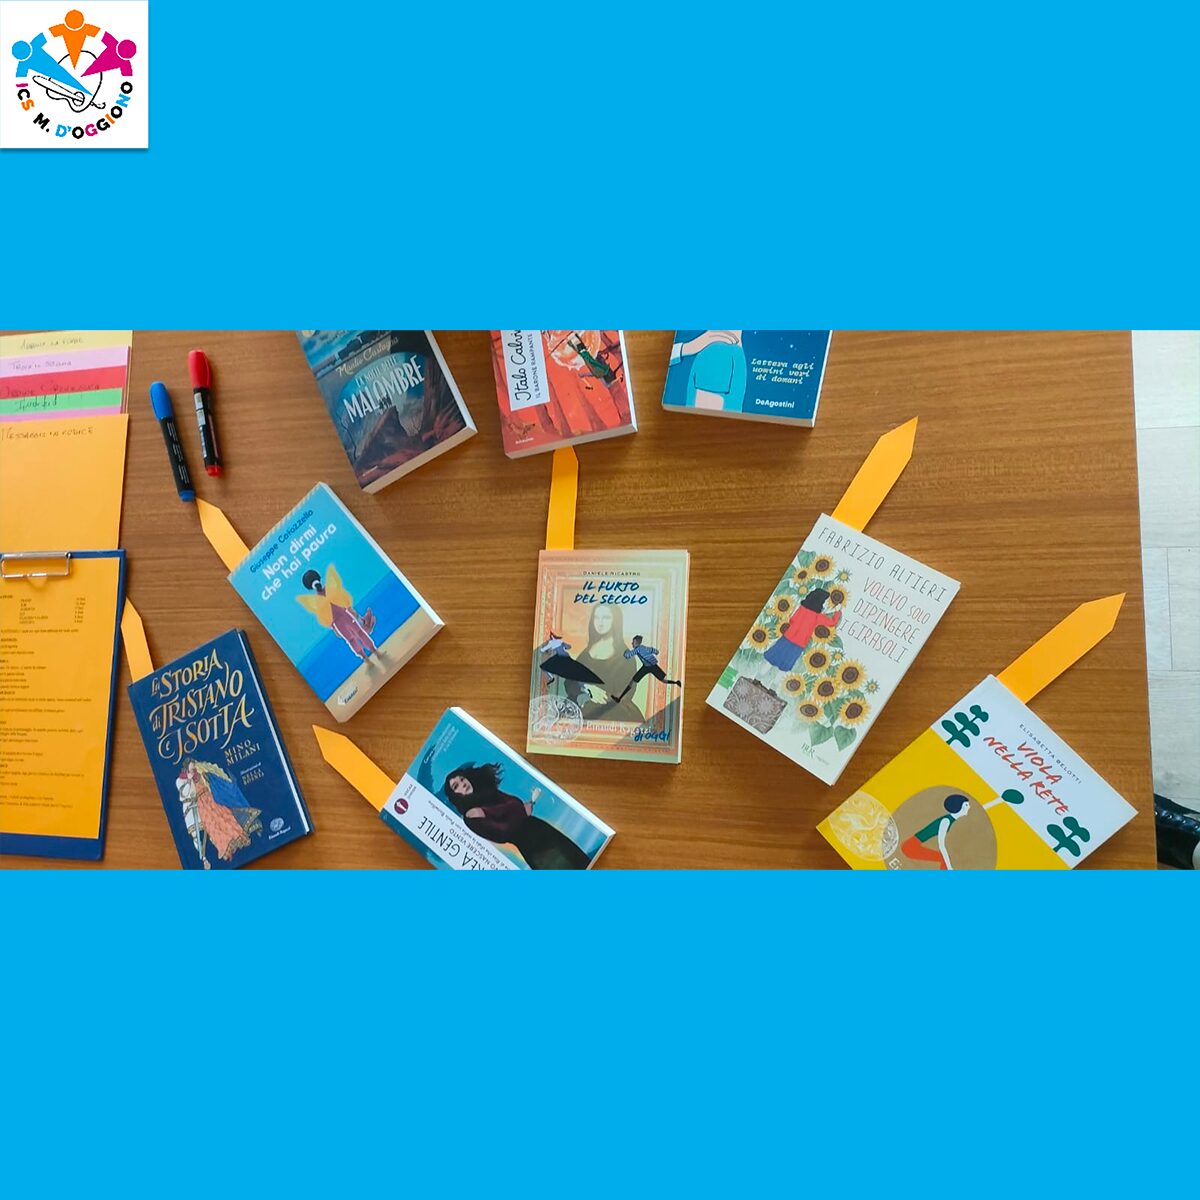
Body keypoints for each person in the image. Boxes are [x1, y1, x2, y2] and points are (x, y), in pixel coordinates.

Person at [419, 752, 592, 869]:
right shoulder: (470, 816)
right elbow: (504, 832)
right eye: (456, 786)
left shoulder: (487, 793)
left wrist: (510, 811)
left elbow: (514, 803)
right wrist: (519, 811)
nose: (463, 784)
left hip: (542, 829)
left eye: (462, 779)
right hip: (534, 848)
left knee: (582, 863)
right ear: (455, 795)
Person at [175, 760, 263, 868]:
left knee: (225, 817)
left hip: (210, 799)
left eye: (194, 766)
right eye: (191, 767)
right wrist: (189, 779)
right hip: (202, 805)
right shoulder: (183, 779)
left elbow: (211, 780)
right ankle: (227, 849)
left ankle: (236, 840)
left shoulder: (201, 772)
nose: (194, 768)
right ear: (187, 768)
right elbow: (186, 794)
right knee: (213, 827)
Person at [571, 603, 644, 723]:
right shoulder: (587, 651)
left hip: (614, 713)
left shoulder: (626, 656)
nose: (600, 622)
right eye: (596, 617)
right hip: (583, 708)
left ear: (615, 620)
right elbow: (571, 679)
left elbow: (625, 693)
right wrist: (586, 688)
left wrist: (594, 695)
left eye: (606, 618)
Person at [295, 566, 378, 664]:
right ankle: (370, 640)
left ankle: (365, 658)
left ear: (309, 587)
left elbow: (325, 617)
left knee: (351, 640)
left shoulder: (317, 601)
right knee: (359, 630)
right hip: (346, 616)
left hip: (337, 624)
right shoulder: (331, 589)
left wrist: (334, 628)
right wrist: (354, 615)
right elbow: (346, 605)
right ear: (319, 578)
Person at [763, 587, 841, 672]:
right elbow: (832, 622)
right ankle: (779, 672)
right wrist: (837, 612)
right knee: (788, 659)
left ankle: (766, 668)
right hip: (800, 640)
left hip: (789, 635)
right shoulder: (817, 616)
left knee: (777, 651)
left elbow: (792, 619)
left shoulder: (801, 608)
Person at [900, 794, 970, 869]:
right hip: (910, 847)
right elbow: (941, 846)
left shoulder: (948, 820)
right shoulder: (946, 821)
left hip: (911, 846)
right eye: (966, 805)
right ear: (959, 807)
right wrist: (950, 868)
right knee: (944, 858)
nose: (969, 807)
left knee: (944, 858)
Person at [608, 635, 681, 704]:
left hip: (649, 666)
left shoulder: (637, 649)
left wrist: (625, 651)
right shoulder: (644, 647)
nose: (632, 643)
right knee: (664, 680)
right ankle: (676, 682)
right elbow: (655, 651)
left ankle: (619, 698)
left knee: (632, 681)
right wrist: (654, 652)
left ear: (636, 642)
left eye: (633, 642)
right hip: (651, 666)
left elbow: (628, 655)